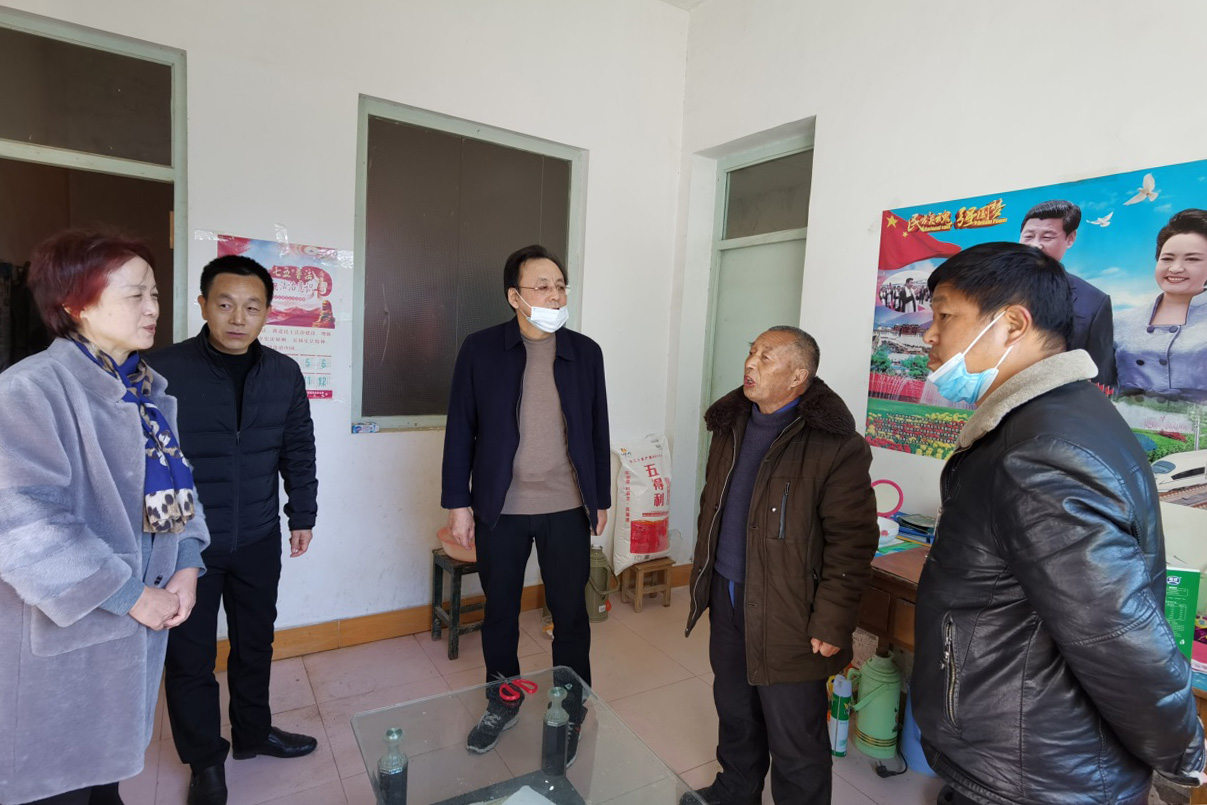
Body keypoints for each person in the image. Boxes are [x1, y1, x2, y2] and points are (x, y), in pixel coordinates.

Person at [912, 242, 1205, 804]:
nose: (929, 334)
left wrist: (1180, 755)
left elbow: (1117, 636)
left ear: (1012, 324)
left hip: (1036, 770)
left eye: (945, 315)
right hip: (1035, 754)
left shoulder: (1040, 452)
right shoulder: (1062, 417)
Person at [0, 231, 209, 805]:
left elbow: (175, 491)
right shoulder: (29, 391)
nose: (152, 308)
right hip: (67, 637)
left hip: (133, 631)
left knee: (104, 781)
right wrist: (131, 594)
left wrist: (187, 561)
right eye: (134, 294)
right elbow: (22, 525)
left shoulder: (145, 392)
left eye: (155, 293)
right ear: (75, 304)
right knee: (57, 781)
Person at [146, 255, 318, 805]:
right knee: (189, 657)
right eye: (225, 304)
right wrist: (165, 542)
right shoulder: (161, 369)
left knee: (255, 643)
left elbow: (298, 446)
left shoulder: (284, 373)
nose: (238, 318)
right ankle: (205, 762)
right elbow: (146, 462)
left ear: (268, 312)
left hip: (260, 535)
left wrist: (302, 514)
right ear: (203, 305)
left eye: (252, 307)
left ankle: (252, 733)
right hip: (187, 546)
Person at [682, 326, 878, 805]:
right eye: (751, 352)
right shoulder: (730, 427)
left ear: (797, 376)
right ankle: (736, 790)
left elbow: (852, 541)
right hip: (728, 595)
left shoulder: (836, 446)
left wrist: (832, 619)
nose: (750, 363)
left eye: (766, 357)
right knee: (735, 710)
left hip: (791, 611)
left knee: (795, 736)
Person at [441, 244, 610, 759]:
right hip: (501, 508)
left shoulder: (585, 352)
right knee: (500, 613)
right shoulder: (480, 349)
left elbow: (597, 429)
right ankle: (503, 700)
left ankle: (571, 707)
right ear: (514, 296)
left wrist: (600, 497)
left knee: (570, 614)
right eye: (542, 286)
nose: (555, 296)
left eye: (560, 286)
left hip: (566, 505)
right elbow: (460, 429)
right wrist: (458, 503)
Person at [1019, 199, 1116, 385]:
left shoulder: (1094, 302)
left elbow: (1100, 374)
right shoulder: (990, 289)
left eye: (1047, 237)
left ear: (1070, 239)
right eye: (1028, 236)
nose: (1035, 245)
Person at [1115, 208, 1207, 401]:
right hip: (1125, 419)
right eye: (1167, 258)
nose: (1176, 268)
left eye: (1192, 259)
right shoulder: (1121, 321)